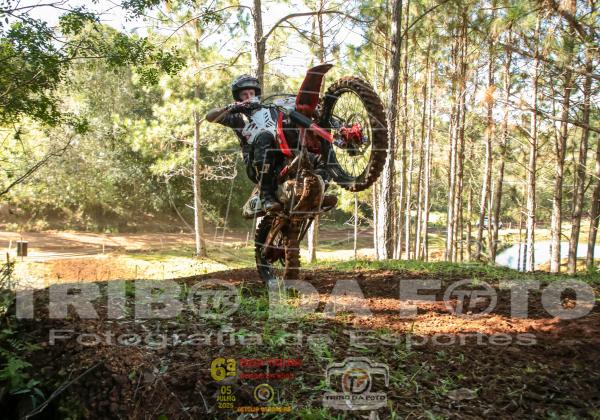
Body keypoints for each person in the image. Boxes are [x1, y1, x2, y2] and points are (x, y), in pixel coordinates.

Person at [205, 74, 283, 212]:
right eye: (244, 94)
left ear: (256, 94)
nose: (249, 97)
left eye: (251, 93)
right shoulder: (236, 117)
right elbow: (210, 117)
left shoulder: (272, 109)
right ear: (238, 98)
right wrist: (229, 108)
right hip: (255, 164)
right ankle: (266, 196)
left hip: (280, 155)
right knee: (264, 136)